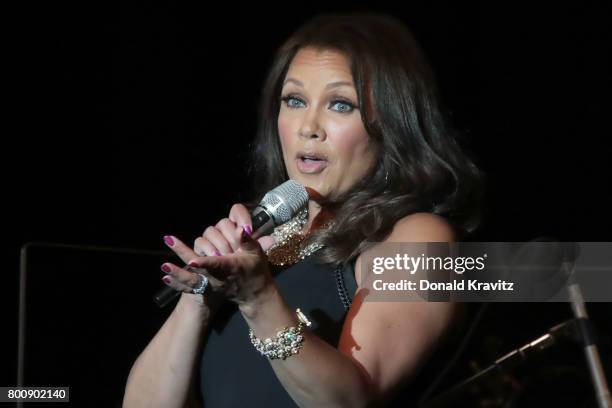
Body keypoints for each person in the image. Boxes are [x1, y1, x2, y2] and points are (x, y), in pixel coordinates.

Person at [123, 12, 483, 408]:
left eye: (341, 104)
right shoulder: (264, 239)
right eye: (294, 100)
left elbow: (349, 401)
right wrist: (199, 300)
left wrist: (260, 301)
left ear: (392, 124)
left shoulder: (417, 237)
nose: (308, 126)